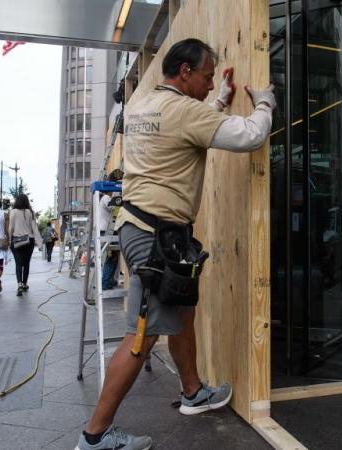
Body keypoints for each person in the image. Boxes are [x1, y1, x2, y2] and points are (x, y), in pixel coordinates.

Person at [76, 38, 275, 450]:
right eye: (205, 77)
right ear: (184, 72)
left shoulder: (145, 104)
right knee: (142, 336)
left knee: (182, 309)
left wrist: (217, 99)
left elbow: (189, 128)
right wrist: (266, 103)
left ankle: (192, 392)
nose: (207, 85)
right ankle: (95, 437)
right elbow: (249, 136)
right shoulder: (184, 111)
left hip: (144, 229)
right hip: (156, 238)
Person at [9, 193, 42, 296]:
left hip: (17, 240)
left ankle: (19, 285)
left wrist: (10, 239)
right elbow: (34, 228)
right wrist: (39, 243)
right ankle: (24, 283)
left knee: (18, 263)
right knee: (26, 263)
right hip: (29, 240)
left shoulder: (13, 212)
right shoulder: (30, 212)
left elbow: (11, 227)